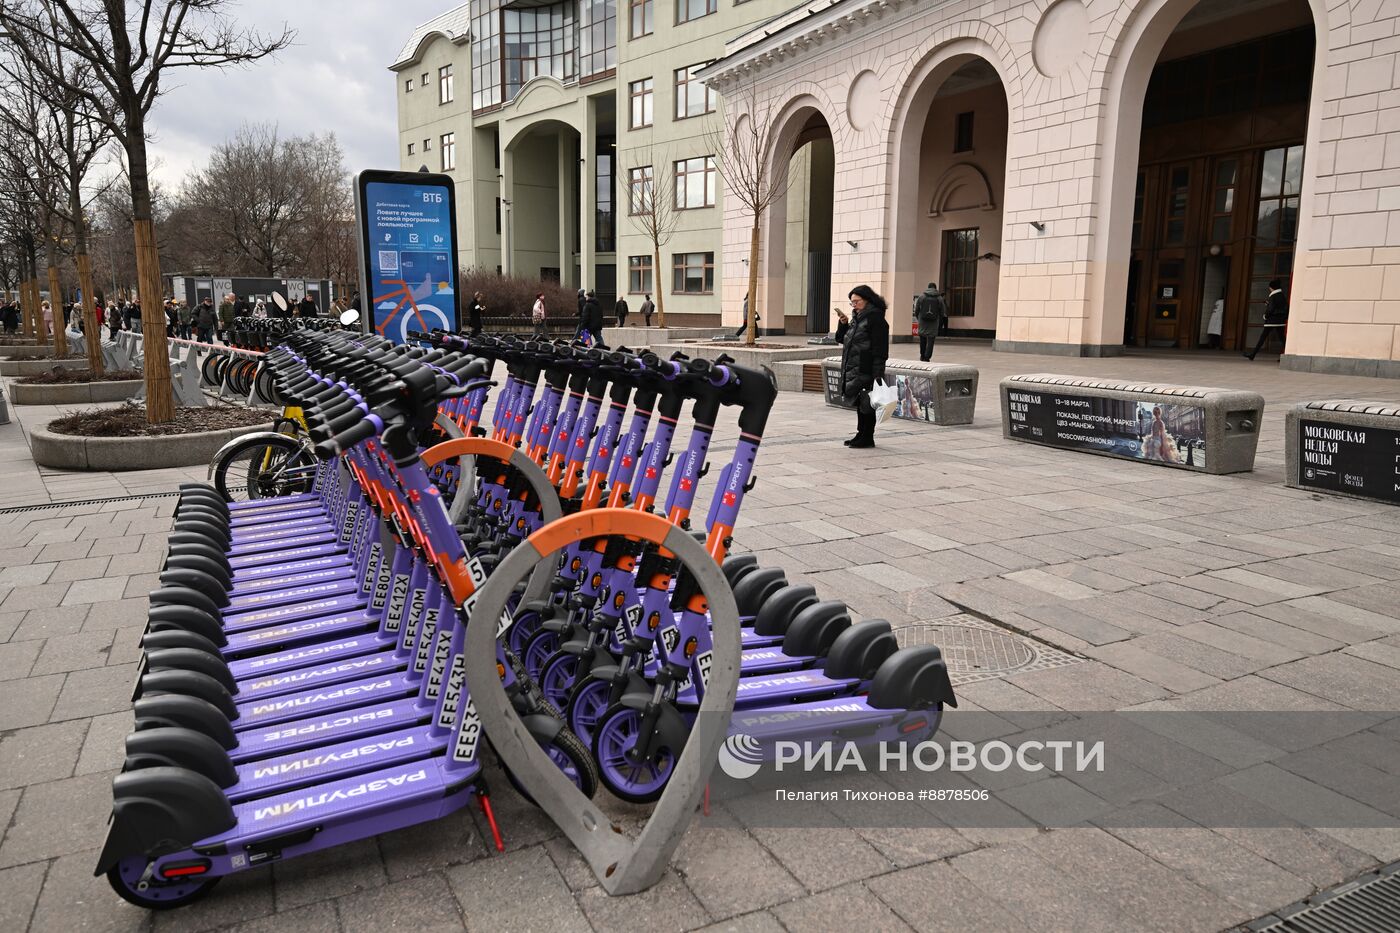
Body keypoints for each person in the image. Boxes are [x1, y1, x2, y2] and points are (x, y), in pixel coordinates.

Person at [838, 285, 889, 449]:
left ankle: (868, 437)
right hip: (854, 367)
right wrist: (843, 324)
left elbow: (880, 349)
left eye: (856, 302)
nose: (854, 305)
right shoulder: (858, 318)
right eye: (852, 302)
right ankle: (861, 434)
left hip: (867, 367)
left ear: (867, 299)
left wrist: (877, 373)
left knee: (868, 403)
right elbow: (841, 339)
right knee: (861, 403)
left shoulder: (875, 318)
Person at [1245, 279, 1288, 360]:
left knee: (1262, 338)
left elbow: (1271, 309)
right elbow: (1282, 307)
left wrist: (1265, 316)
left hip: (1271, 321)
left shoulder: (1272, 296)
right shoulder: (1282, 295)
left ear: (1272, 288)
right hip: (1280, 321)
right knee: (1282, 339)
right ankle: (1287, 355)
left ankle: (1253, 354)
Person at [913, 282, 946, 362]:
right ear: (935, 288)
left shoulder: (922, 296)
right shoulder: (939, 298)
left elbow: (916, 310)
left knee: (922, 339)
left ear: (928, 287)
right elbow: (942, 312)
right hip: (934, 322)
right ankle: (927, 357)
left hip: (923, 321)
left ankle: (922, 355)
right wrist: (939, 321)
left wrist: (919, 318)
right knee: (931, 340)